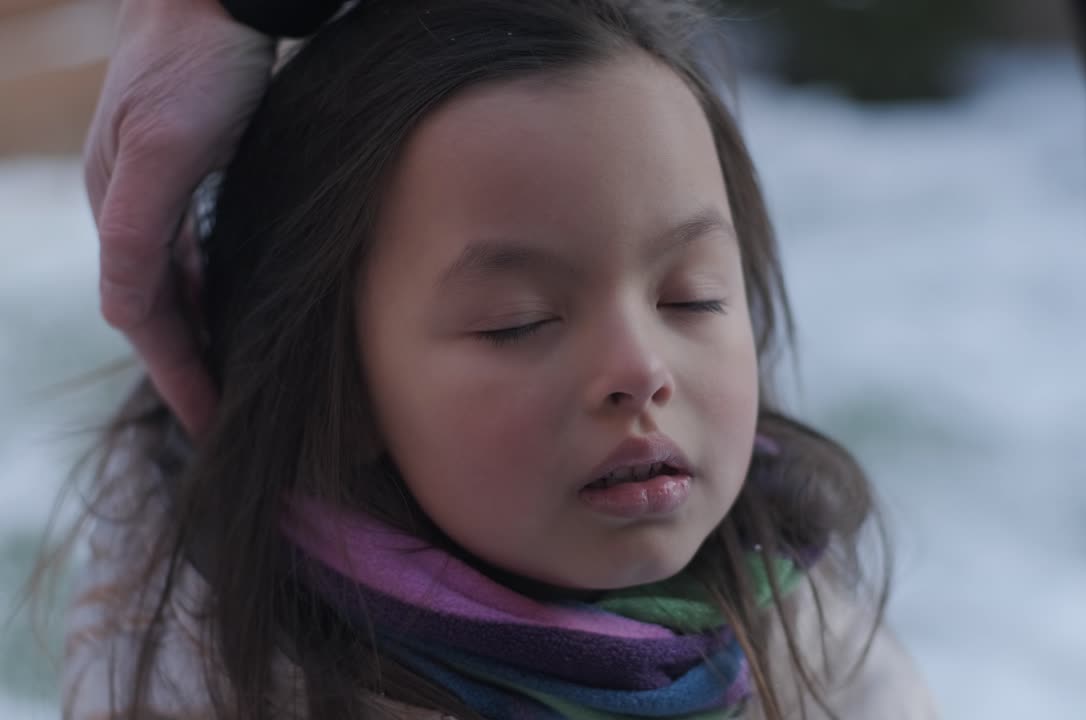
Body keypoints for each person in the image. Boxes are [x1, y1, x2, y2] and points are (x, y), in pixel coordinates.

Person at [64, 1, 936, 718]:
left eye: (690, 297)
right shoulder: (212, 687)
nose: (640, 369)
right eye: (518, 322)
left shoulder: (829, 663)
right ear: (336, 390)